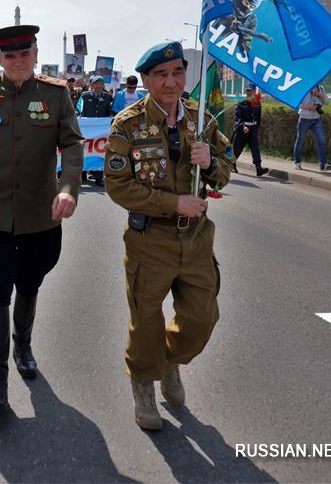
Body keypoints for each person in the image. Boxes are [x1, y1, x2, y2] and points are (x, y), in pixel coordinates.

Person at [0, 24, 84, 411]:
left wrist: (68, 188)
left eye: (24, 54)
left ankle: (22, 346)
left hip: (40, 214)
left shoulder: (56, 94)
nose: (18, 62)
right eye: (9, 56)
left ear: (35, 54)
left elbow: (72, 144)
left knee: (29, 284)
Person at [103, 41, 233, 431]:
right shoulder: (128, 124)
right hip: (150, 240)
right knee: (146, 319)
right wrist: (173, 203)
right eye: (161, 75)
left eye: (177, 72)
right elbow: (118, 186)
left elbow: (225, 171)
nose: (171, 82)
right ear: (145, 80)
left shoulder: (201, 118)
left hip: (196, 239)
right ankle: (144, 382)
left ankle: (169, 360)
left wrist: (211, 163)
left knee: (201, 318)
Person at [77, 75, 114, 186]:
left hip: (100, 131)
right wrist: (79, 118)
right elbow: (78, 109)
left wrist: (110, 119)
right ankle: (82, 175)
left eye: (101, 84)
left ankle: (98, 178)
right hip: (87, 130)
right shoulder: (84, 96)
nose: (99, 86)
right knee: (84, 150)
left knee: (99, 151)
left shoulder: (107, 97)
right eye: (97, 84)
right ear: (92, 85)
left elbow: (108, 112)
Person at [294, 84, 331, 171]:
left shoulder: (321, 88)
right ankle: (297, 163)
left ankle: (323, 164)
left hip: (316, 119)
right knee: (300, 141)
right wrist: (310, 107)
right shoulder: (303, 86)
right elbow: (297, 103)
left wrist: (319, 94)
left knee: (322, 140)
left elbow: (327, 101)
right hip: (304, 119)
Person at [232, 83, 268, 176]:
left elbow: (258, 117)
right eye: (247, 90)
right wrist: (242, 126)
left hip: (253, 129)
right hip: (243, 129)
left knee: (255, 149)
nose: (249, 92)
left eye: (251, 91)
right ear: (245, 92)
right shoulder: (241, 102)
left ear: (254, 91)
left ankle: (258, 168)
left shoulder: (257, 103)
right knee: (237, 149)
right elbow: (237, 118)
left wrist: (257, 128)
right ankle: (232, 165)